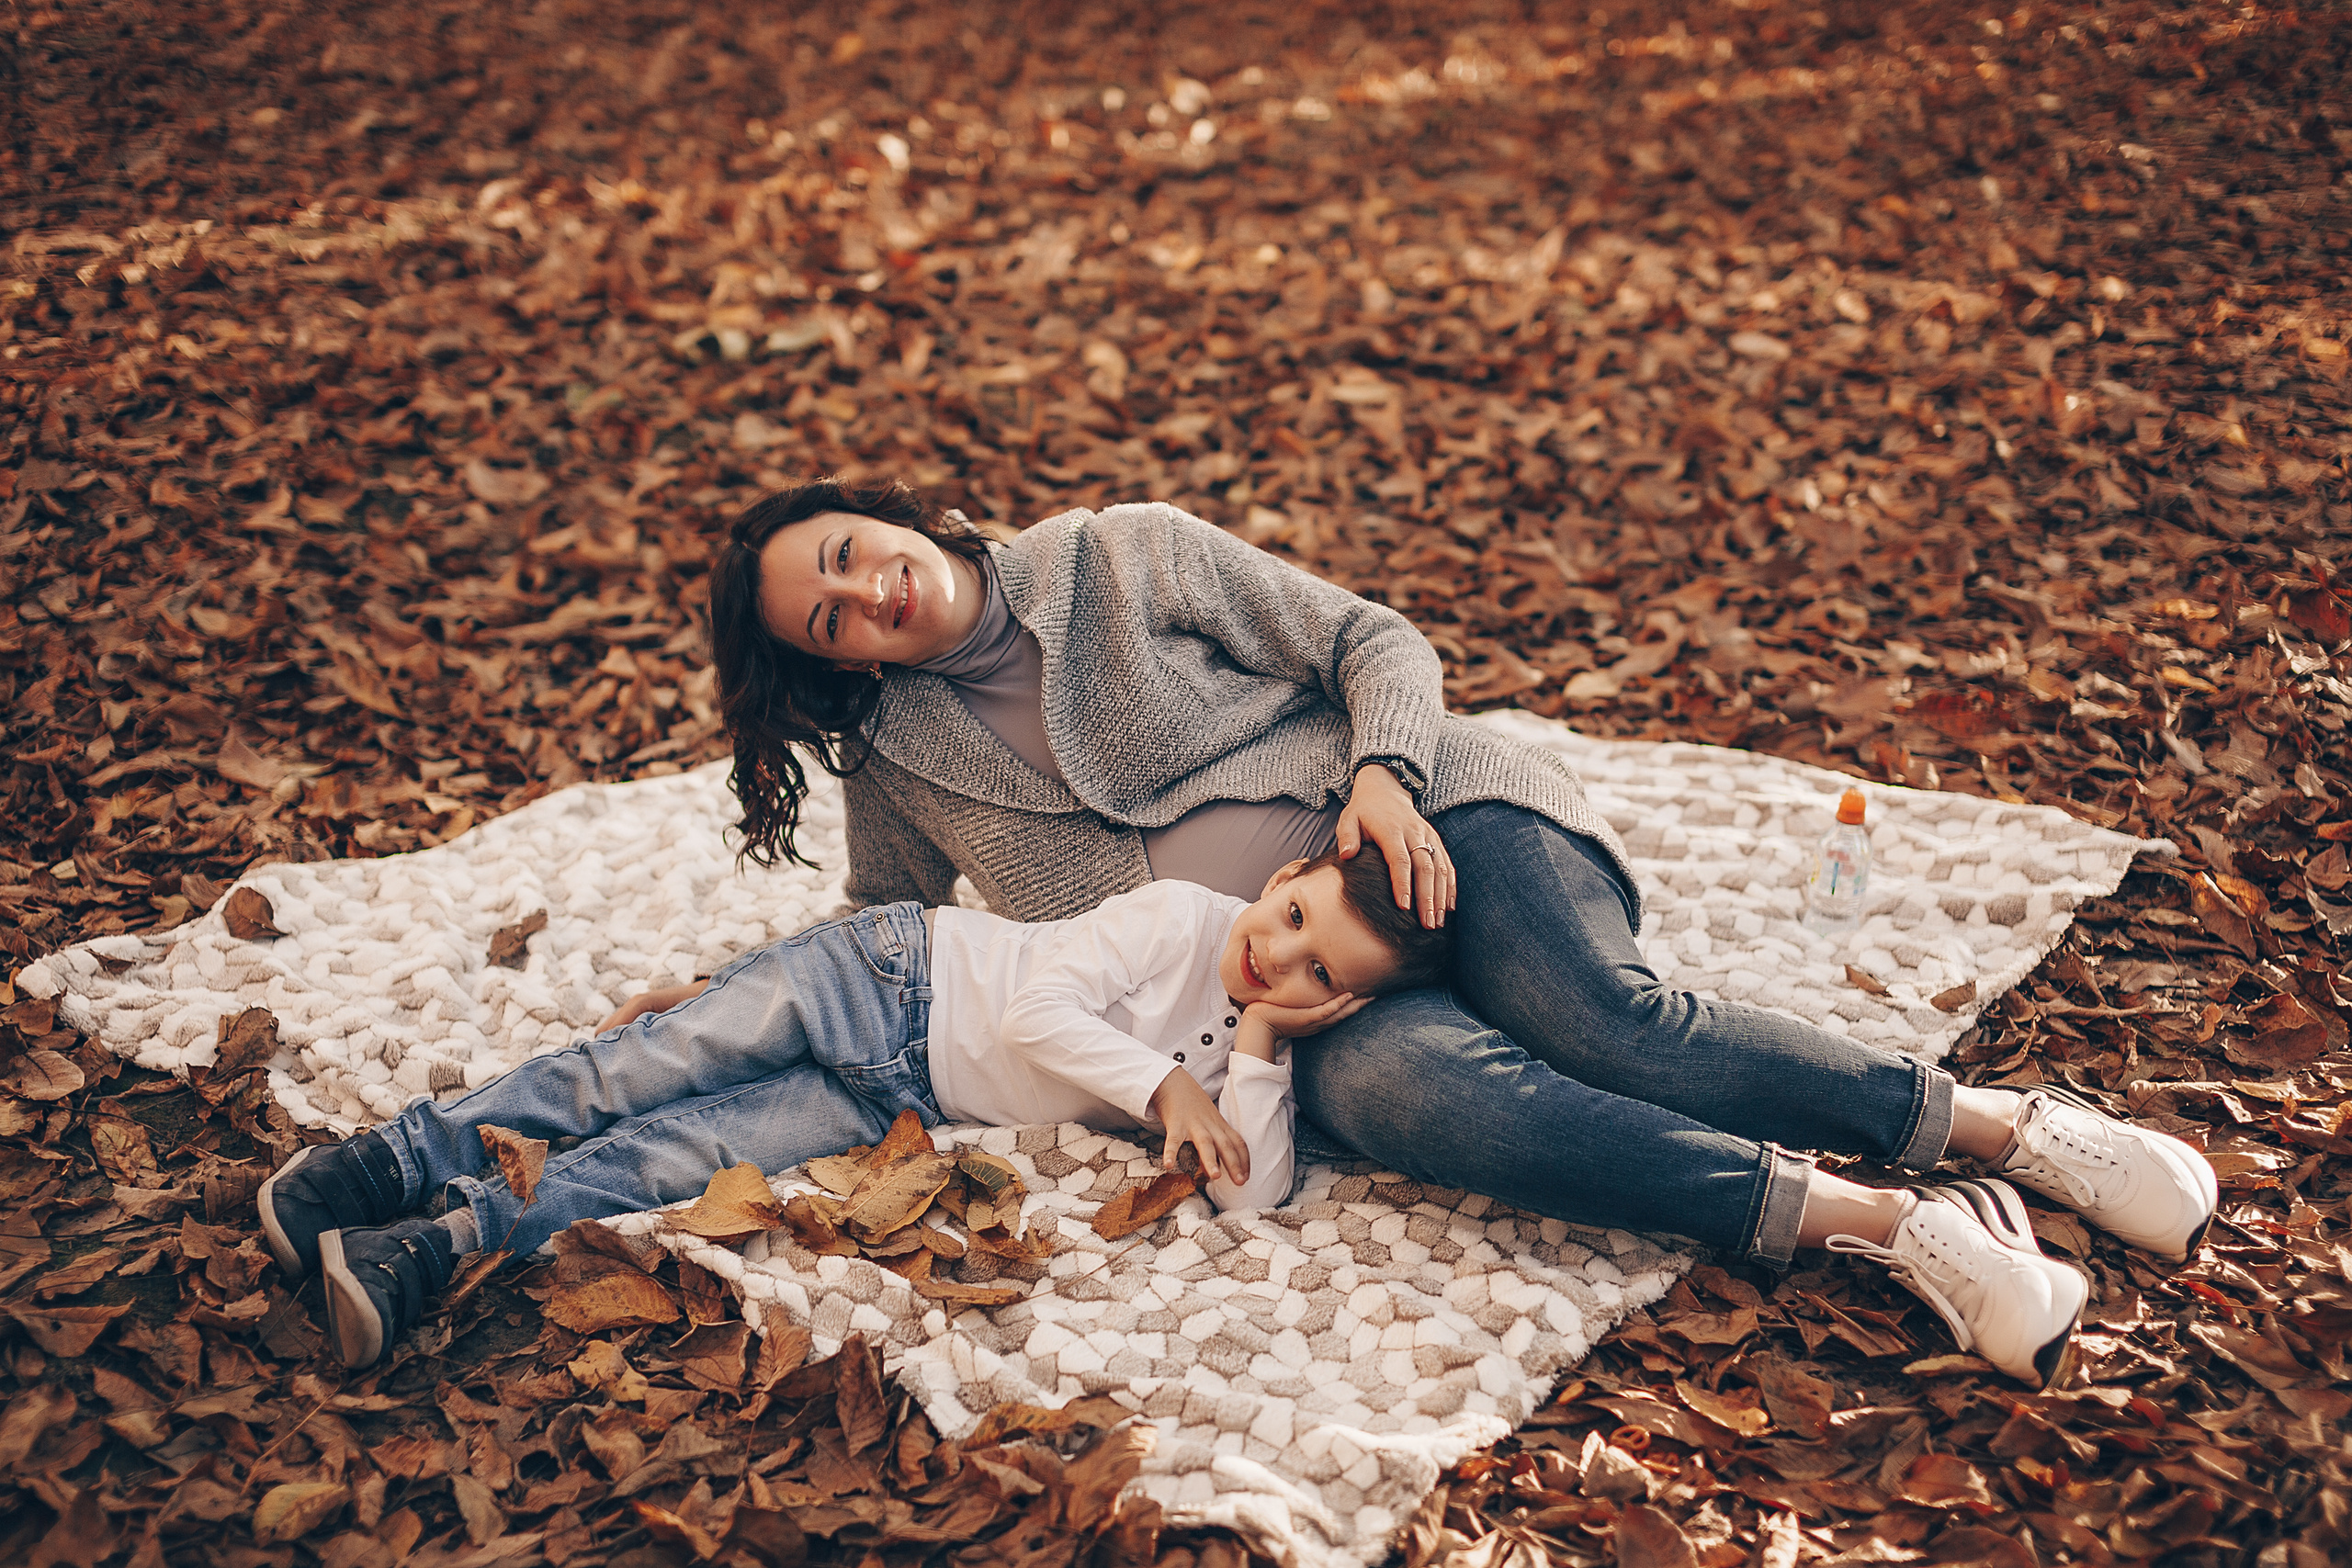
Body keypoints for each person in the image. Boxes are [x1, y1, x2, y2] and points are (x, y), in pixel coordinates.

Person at [594, 477, 2217, 1386]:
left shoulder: (1121, 558)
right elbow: (881, 926)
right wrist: (726, 1003)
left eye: (852, 556)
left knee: (1599, 1020)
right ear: (839, 666)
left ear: (896, 518)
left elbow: (1372, 636)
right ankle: (1889, 1224)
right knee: (1415, 1103)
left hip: (1424, 827)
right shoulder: (897, 754)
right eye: (827, 618)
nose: (865, 597)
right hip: (1290, 981)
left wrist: (1384, 777)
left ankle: (2001, 1127)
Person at [259, 846, 1450, 1368]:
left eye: (1320, 977)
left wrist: (1253, 1049)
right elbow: (1041, 1013)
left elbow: (1253, 1198)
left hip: (909, 1097)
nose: (1280, 961)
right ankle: (390, 1162)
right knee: (637, 1068)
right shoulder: (1185, 918)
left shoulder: (1261, 1044)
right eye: (1294, 920)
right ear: (1283, 882)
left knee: (676, 1157)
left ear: (1338, 1010)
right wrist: (1168, 1081)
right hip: (889, 976)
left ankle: (437, 1243)